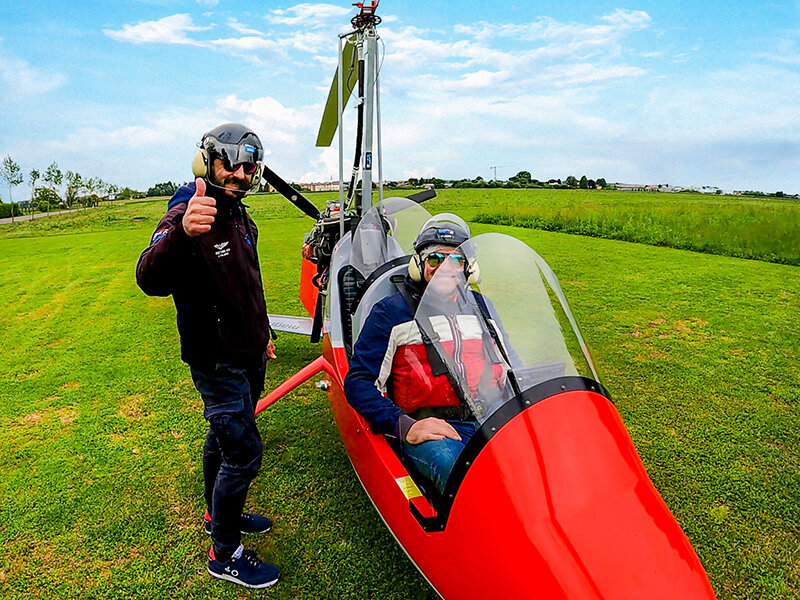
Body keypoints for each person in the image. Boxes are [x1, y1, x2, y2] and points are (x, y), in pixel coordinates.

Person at [136, 123, 280, 589]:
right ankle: (225, 553)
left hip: (249, 350)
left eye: (249, 164)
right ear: (207, 163)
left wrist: (265, 332)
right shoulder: (188, 209)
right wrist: (180, 232)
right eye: (231, 163)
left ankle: (216, 514)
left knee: (221, 439)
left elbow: (247, 283)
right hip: (217, 360)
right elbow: (148, 277)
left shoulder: (238, 212)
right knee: (244, 451)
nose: (241, 173)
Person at [344, 216, 509, 495]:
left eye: (456, 260)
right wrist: (404, 425)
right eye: (434, 258)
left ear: (469, 267)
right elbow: (358, 382)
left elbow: (509, 364)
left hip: (491, 417)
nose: (445, 268)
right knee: (471, 484)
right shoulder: (391, 313)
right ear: (419, 265)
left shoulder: (482, 307)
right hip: (431, 430)